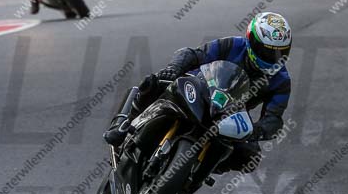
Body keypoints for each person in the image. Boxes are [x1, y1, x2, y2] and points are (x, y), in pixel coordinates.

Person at [104, 12, 292, 174]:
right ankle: (124, 124)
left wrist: (258, 130)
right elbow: (193, 54)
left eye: (279, 52)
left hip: (228, 113)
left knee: (250, 156)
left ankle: (200, 171)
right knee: (152, 83)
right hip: (199, 87)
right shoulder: (233, 45)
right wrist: (173, 68)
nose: (272, 58)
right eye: (266, 51)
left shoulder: (281, 80)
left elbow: (274, 118)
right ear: (251, 41)